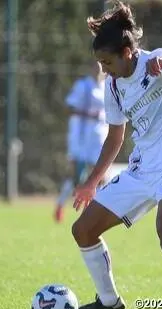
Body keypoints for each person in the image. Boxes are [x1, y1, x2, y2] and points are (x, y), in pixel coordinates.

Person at [70, 2, 162, 309]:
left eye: (108, 62)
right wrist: (91, 183)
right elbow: (115, 137)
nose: (105, 69)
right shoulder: (112, 87)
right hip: (140, 172)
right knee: (82, 231)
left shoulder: (153, 61)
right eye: (100, 63)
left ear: (129, 51)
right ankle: (108, 301)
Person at [54, 60, 108, 223]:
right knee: (77, 175)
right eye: (95, 65)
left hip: (100, 136)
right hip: (82, 137)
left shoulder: (107, 86)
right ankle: (60, 205)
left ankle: (93, 211)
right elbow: (69, 107)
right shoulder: (83, 85)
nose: (99, 68)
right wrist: (88, 114)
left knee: (100, 175)